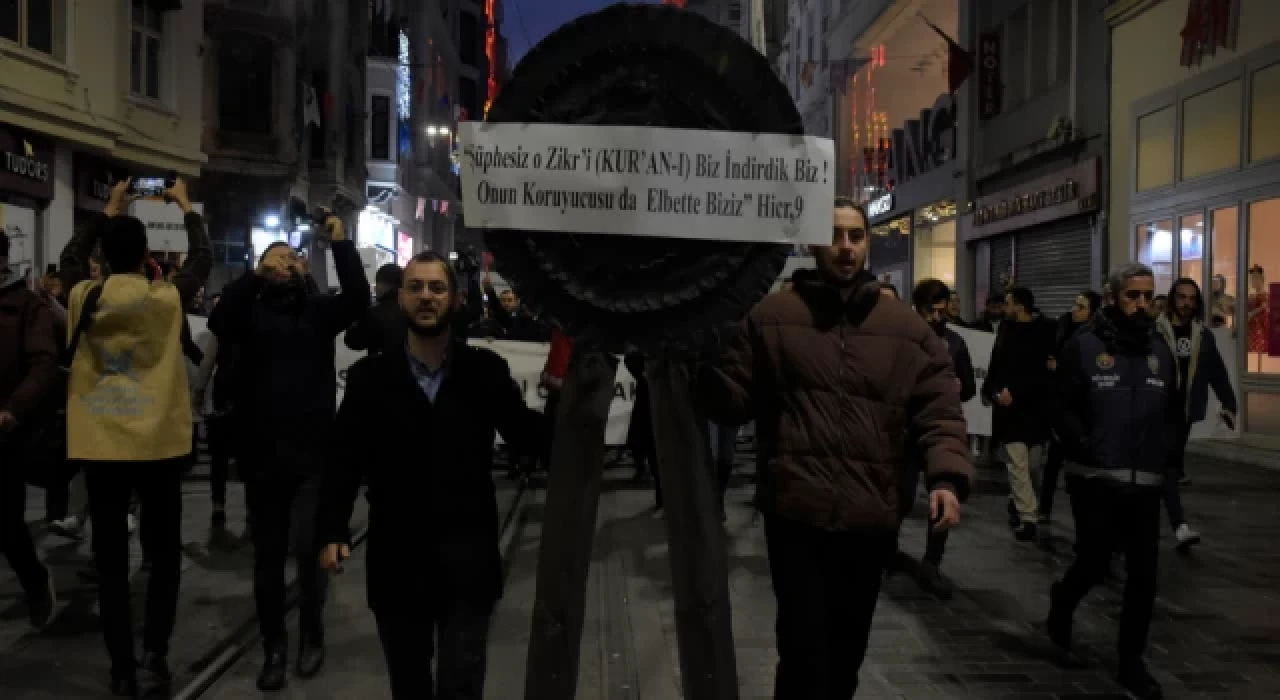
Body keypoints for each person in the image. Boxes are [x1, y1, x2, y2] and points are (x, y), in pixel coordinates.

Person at [698, 198, 971, 698]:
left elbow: (941, 407)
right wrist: (695, 361)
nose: (845, 247)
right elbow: (734, 399)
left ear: (868, 244)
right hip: (797, 515)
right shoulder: (772, 317)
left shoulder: (904, 329)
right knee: (802, 649)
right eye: (834, 235)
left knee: (847, 651)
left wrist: (946, 478)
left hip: (869, 517)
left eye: (856, 236)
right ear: (812, 243)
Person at [319, 251, 545, 699]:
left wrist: (569, 392)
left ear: (455, 300)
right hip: (397, 559)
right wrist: (332, 528)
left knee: (462, 682)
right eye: (416, 287)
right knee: (409, 683)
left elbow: (528, 438)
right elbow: (344, 456)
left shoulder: (484, 371)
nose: (426, 296)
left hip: (468, 558)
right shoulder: (370, 379)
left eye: (436, 288)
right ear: (401, 299)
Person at [60, 177, 211, 698]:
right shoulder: (167, 298)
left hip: (101, 443)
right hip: (158, 444)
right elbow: (203, 261)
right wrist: (188, 210)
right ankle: (155, 654)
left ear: (104, 254)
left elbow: (69, 258)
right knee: (163, 552)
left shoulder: (84, 295)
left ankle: (120, 666)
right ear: (147, 253)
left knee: (109, 559)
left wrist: (106, 210)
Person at [207, 211, 368, 691]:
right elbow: (220, 318)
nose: (285, 264)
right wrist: (254, 276)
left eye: (292, 258)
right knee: (269, 557)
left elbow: (358, 299)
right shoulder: (248, 313)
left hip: (313, 456)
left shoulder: (317, 313)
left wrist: (340, 243)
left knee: (308, 549)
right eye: (274, 259)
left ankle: (311, 634)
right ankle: (275, 645)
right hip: (262, 457)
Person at [1048, 262, 1176, 700]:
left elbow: (1172, 412)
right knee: (1095, 563)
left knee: (1144, 577)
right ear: (1113, 299)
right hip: (1096, 480)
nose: (1142, 305)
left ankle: (1130, 662)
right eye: (1132, 296)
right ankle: (1063, 601)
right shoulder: (1083, 347)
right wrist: (1083, 446)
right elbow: (1060, 406)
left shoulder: (1161, 350)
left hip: (1145, 483)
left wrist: (1168, 458)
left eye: (1148, 296)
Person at [897, 278, 976, 598]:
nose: (937, 318)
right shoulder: (903, 339)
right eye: (931, 311)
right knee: (899, 497)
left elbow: (969, 387)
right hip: (903, 431)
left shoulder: (955, 343)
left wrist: (957, 387)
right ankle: (887, 551)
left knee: (940, 496)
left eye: (942, 312)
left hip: (937, 433)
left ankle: (932, 563)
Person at [0, 229, 59, 630]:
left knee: (6, 522)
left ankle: (34, 580)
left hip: (6, 432)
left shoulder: (26, 306)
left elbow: (43, 364)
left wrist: (13, 408)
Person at [1155, 277, 1237, 550]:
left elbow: (1217, 373)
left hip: (1183, 412)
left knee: (1167, 467)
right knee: (1165, 467)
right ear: (1172, 299)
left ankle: (1147, 524)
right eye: (1182, 297)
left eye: (1192, 299)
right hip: (1153, 412)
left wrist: (1229, 405)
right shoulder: (1154, 331)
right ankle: (1178, 525)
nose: (1187, 303)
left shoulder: (1203, 335)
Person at [982, 286, 1056, 541]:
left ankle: (1018, 501)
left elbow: (1043, 371)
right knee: (1017, 464)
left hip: (1034, 409)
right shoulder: (1006, 330)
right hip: (1009, 408)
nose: (1005, 308)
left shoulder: (1044, 331)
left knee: (1033, 466)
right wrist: (991, 390)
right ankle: (1029, 518)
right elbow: (996, 362)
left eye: (1009, 303)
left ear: (1021, 306)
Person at [1039, 290, 1102, 527]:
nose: (1076, 310)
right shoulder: (1064, 328)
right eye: (1075, 305)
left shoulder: (1093, 338)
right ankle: (1044, 507)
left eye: (1082, 306)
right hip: (1061, 408)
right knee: (1053, 462)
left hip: (1081, 412)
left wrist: (1061, 366)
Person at [344, 262, 403, 355]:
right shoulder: (410, 310)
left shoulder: (375, 314)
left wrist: (355, 315)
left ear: (385, 285)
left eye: (377, 284)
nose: (376, 288)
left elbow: (353, 342)